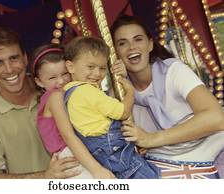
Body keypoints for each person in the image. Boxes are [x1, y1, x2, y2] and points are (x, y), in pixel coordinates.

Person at [110, 14, 224, 178]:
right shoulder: (120, 91)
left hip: (206, 149)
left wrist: (151, 139)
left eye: (138, 39)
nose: (131, 47)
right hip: (162, 161)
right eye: (122, 43)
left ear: (150, 44)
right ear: (115, 53)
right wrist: (117, 81)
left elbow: (216, 117)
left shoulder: (173, 71)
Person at [0, 27, 80, 178]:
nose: (9, 69)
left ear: (25, 58)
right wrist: (44, 177)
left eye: (14, 58)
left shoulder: (56, 86)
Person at [63, 36, 160, 179]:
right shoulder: (87, 91)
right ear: (70, 66)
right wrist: (130, 92)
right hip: (115, 153)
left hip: (103, 153)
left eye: (102, 68)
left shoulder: (71, 93)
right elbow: (123, 112)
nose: (97, 73)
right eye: (90, 67)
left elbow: (108, 105)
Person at [31, 43, 115, 178]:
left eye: (65, 74)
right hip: (71, 156)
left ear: (71, 68)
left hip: (81, 150)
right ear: (39, 82)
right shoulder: (55, 97)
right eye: (52, 77)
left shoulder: (72, 94)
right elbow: (69, 136)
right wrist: (96, 170)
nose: (61, 81)